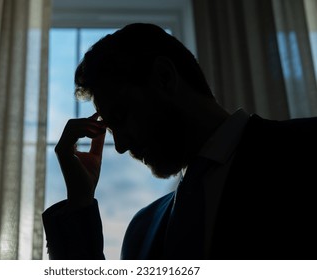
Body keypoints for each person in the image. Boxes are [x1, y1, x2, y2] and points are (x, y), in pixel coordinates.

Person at [42, 23, 317, 260]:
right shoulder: (141, 231)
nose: (122, 145)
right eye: (112, 129)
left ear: (164, 77)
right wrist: (79, 204)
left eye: (122, 115)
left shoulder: (306, 148)